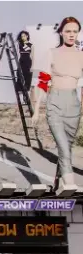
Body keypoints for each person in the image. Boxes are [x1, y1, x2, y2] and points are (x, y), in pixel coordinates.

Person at [38, 17, 83, 190]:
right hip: (55, 102)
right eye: (68, 31)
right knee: (63, 148)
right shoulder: (52, 53)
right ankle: (71, 185)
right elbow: (42, 83)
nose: (72, 35)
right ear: (61, 32)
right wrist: (36, 110)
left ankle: (58, 184)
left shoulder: (81, 55)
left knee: (68, 149)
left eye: (75, 31)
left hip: (73, 105)